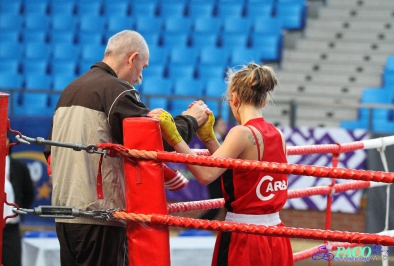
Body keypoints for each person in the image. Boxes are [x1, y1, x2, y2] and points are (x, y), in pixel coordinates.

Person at [43, 30, 209, 266]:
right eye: (143, 67)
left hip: (64, 213)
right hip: (99, 215)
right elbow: (153, 142)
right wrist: (191, 119)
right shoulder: (117, 90)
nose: (140, 76)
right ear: (132, 59)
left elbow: (50, 152)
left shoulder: (69, 91)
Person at [149, 63, 294, 265]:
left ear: (234, 98)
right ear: (264, 101)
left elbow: (207, 175)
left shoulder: (241, 133)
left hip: (244, 234)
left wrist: (174, 136)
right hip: (276, 233)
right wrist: (209, 138)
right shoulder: (279, 135)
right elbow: (237, 170)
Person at [3, 136, 35, 266]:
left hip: (11, 229)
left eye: (5, 138)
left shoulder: (20, 167)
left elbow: (29, 194)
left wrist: (18, 211)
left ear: (9, 142)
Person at [199, 116, 228, 221]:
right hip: (215, 177)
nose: (224, 127)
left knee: (225, 206)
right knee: (215, 206)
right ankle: (195, 227)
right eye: (221, 124)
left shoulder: (226, 140)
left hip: (223, 177)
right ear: (213, 127)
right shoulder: (209, 141)